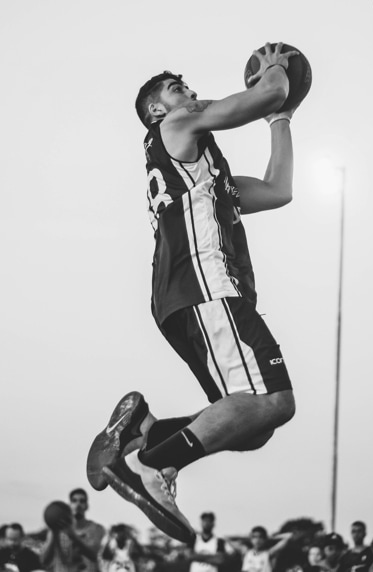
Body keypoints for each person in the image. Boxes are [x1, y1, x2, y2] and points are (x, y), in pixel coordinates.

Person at [86, 42, 299, 542]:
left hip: (185, 295)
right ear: (156, 109)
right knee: (275, 401)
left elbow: (278, 189)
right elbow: (268, 92)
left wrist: (280, 119)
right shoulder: (176, 125)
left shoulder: (206, 174)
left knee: (254, 428)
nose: (190, 93)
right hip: (204, 285)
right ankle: (148, 466)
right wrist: (274, 74)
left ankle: (146, 432)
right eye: (176, 88)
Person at [40, 488, 105, 572]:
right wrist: (54, 534)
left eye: (82, 501)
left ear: (87, 506)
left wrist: (72, 536)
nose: (78, 504)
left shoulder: (96, 529)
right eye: (74, 501)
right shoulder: (55, 531)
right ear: (69, 505)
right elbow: (44, 561)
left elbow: (95, 556)